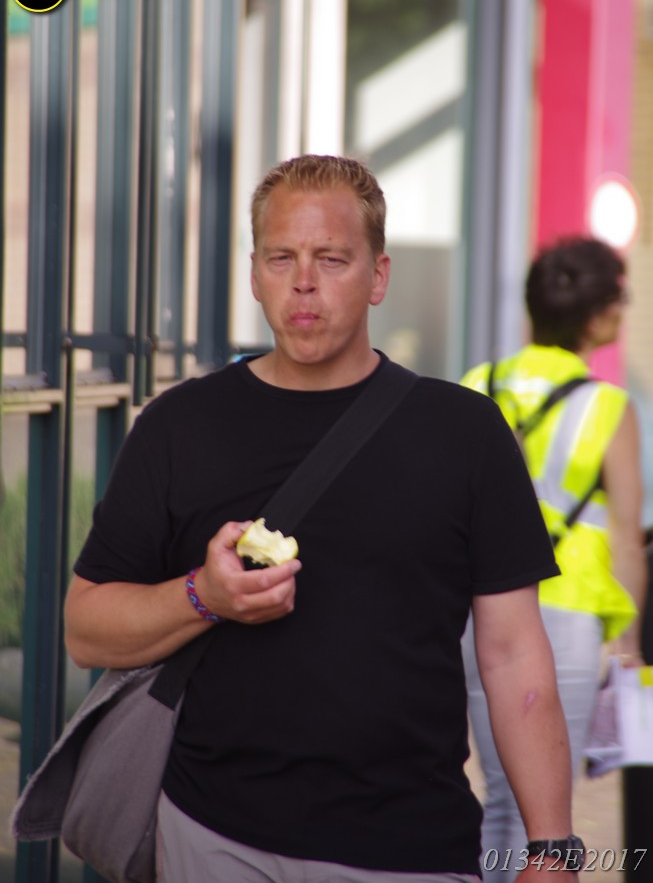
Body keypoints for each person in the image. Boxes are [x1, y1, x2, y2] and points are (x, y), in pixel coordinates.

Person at [65, 154, 583, 883]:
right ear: (255, 274)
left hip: (410, 847)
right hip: (213, 833)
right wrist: (202, 597)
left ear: (378, 276)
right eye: (281, 258)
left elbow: (513, 655)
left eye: (331, 259)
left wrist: (553, 845)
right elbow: (85, 629)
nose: (303, 282)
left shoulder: (465, 433)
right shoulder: (177, 426)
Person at [460, 237, 647, 883]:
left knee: (497, 797)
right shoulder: (608, 407)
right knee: (545, 813)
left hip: (477, 615)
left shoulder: (477, 385)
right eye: (618, 299)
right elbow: (626, 539)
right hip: (565, 620)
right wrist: (628, 646)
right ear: (595, 317)